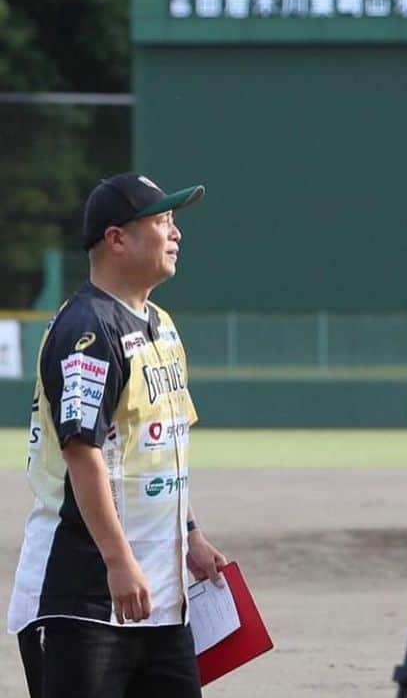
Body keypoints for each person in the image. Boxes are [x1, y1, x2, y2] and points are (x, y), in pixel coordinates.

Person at [8, 173, 227, 698]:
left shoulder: (161, 323)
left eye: (174, 222)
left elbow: (161, 448)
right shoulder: (87, 328)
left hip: (161, 595)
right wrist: (118, 561)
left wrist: (191, 534)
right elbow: (83, 454)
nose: (176, 234)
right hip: (86, 592)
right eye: (161, 221)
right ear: (117, 239)